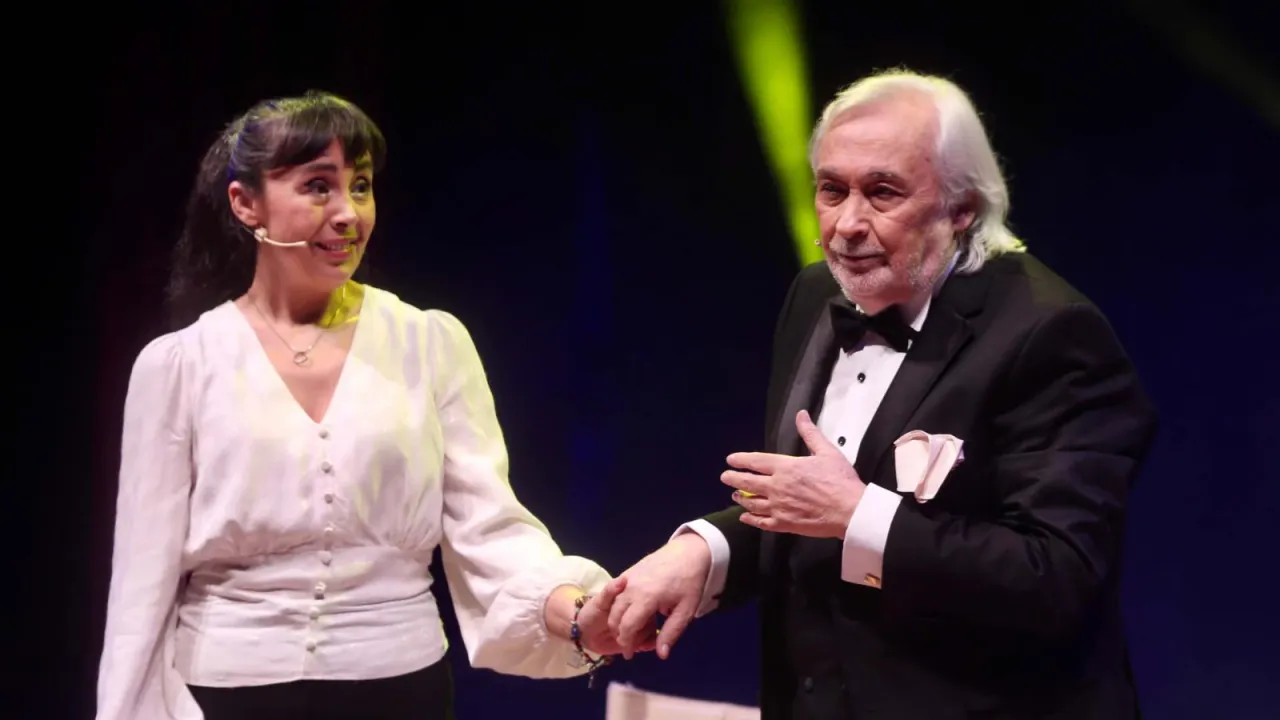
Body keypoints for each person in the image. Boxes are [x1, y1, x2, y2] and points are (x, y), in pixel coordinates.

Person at [606, 69, 1159, 719]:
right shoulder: (815, 295)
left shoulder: (1052, 334)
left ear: (962, 208)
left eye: (882, 192)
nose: (846, 224)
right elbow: (811, 508)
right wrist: (704, 553)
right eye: (831, 190)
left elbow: (1056, 576)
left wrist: (859, 515)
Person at [96, 91, 647, 720]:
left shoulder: (429, 343)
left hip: (396, 691)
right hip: (227, 694)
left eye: (360, 187)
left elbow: (488, 527)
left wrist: (574, 611)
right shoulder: (179, 365)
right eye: (317, 187)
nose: (347, 213)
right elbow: (142, 582)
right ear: (246, 203)